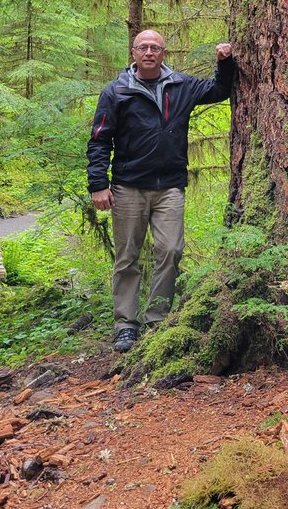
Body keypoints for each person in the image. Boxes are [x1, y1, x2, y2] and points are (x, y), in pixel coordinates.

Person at [87, 30, 235, 353]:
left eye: (155, 47)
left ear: (164, 53)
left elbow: (219, 90)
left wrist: (224, 63)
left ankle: (157, 320)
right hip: (128, 187)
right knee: (127, 257)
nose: (150, 52)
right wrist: (98, 184)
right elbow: (99, 140)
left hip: (169, 186)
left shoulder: (181, 86)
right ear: (134, 52)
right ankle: (125, 325)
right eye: (144, 47)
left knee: (170, 250)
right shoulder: (116, 92)